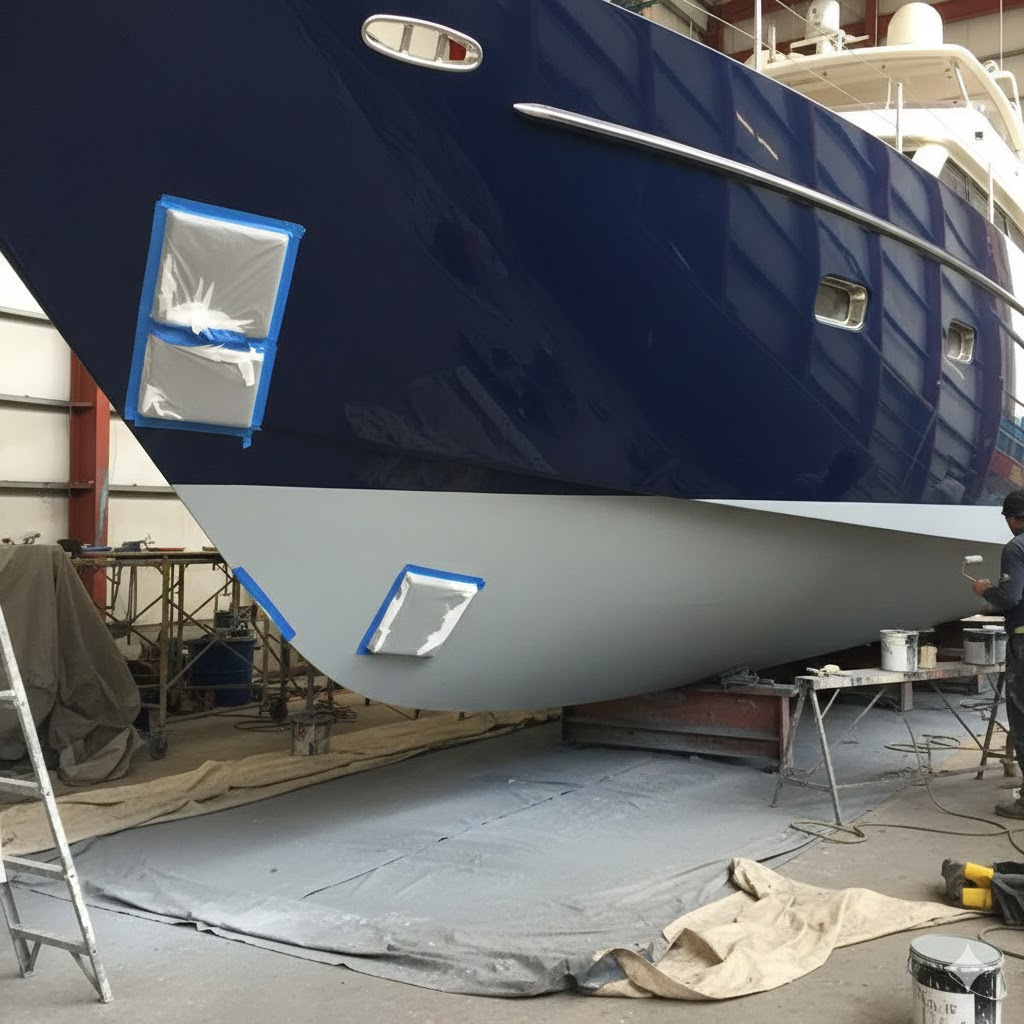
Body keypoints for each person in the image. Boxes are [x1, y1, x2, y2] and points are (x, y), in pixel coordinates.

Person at [971, 489, 1024, 818]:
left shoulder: (1016, 547)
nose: (1006, 523)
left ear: (1015, 518)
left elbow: (1009, 597)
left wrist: (985, 589)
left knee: (1021, 719)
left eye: (1007, 517)